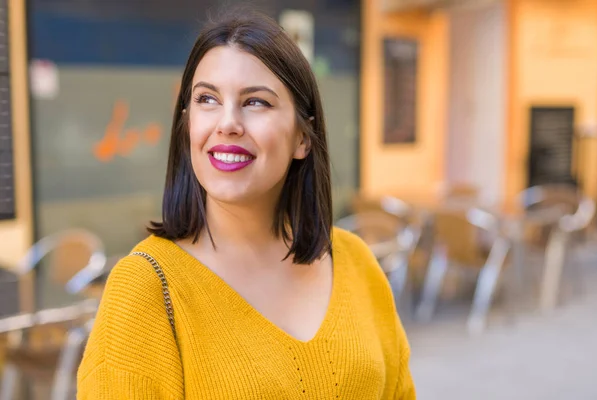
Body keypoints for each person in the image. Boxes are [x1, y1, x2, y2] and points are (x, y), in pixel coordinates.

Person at [77, 9, 415, 400]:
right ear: (187, 124)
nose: (227, 123)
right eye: (207, 99)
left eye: (256, 102)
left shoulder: (356, 261)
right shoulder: (145, 288)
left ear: (303, 138)